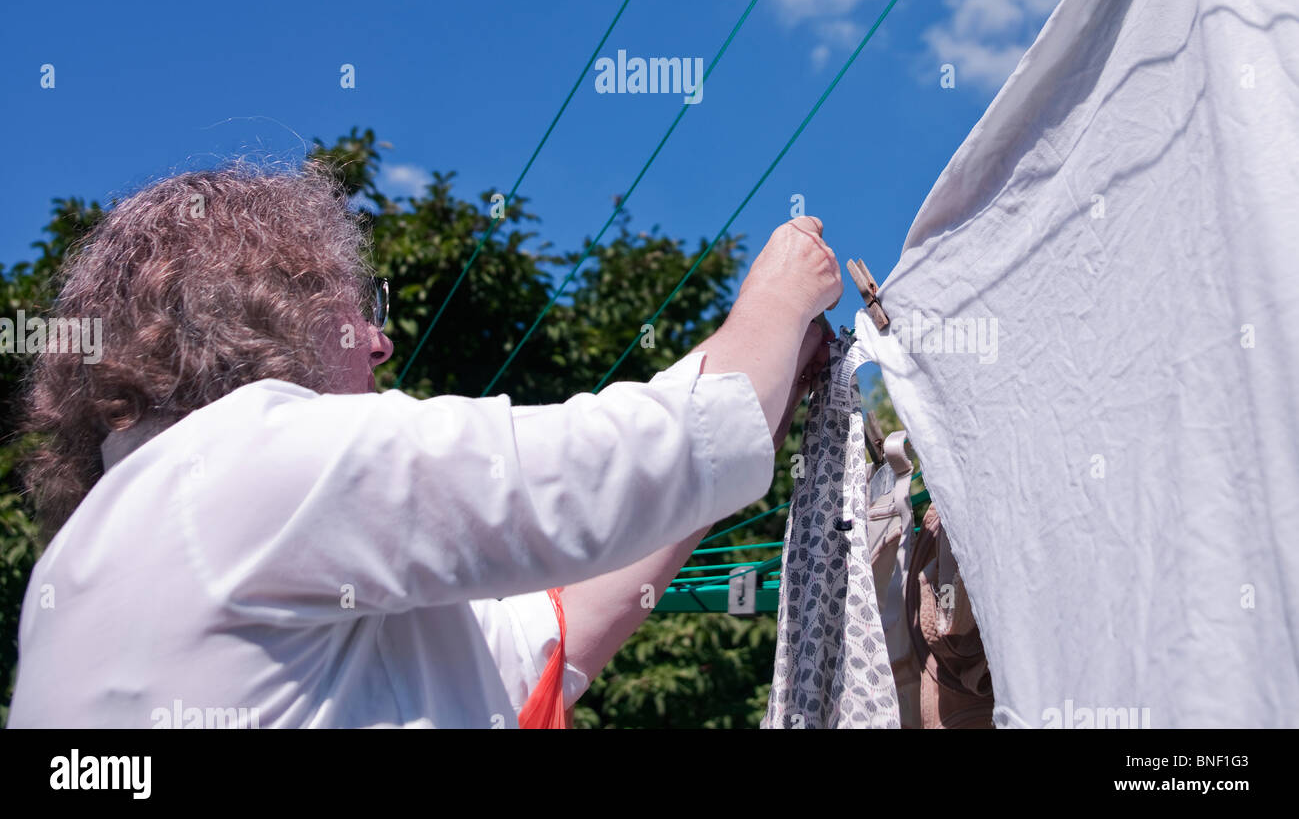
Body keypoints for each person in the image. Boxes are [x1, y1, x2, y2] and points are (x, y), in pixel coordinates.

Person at [8, 162, 841, 727]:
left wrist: (743, 393)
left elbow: (542, 642)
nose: (379, 342)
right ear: (260, 306)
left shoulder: (97, 553)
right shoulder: (248, 458)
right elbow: (616, 464)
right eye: (355, 303)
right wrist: (780, 294)